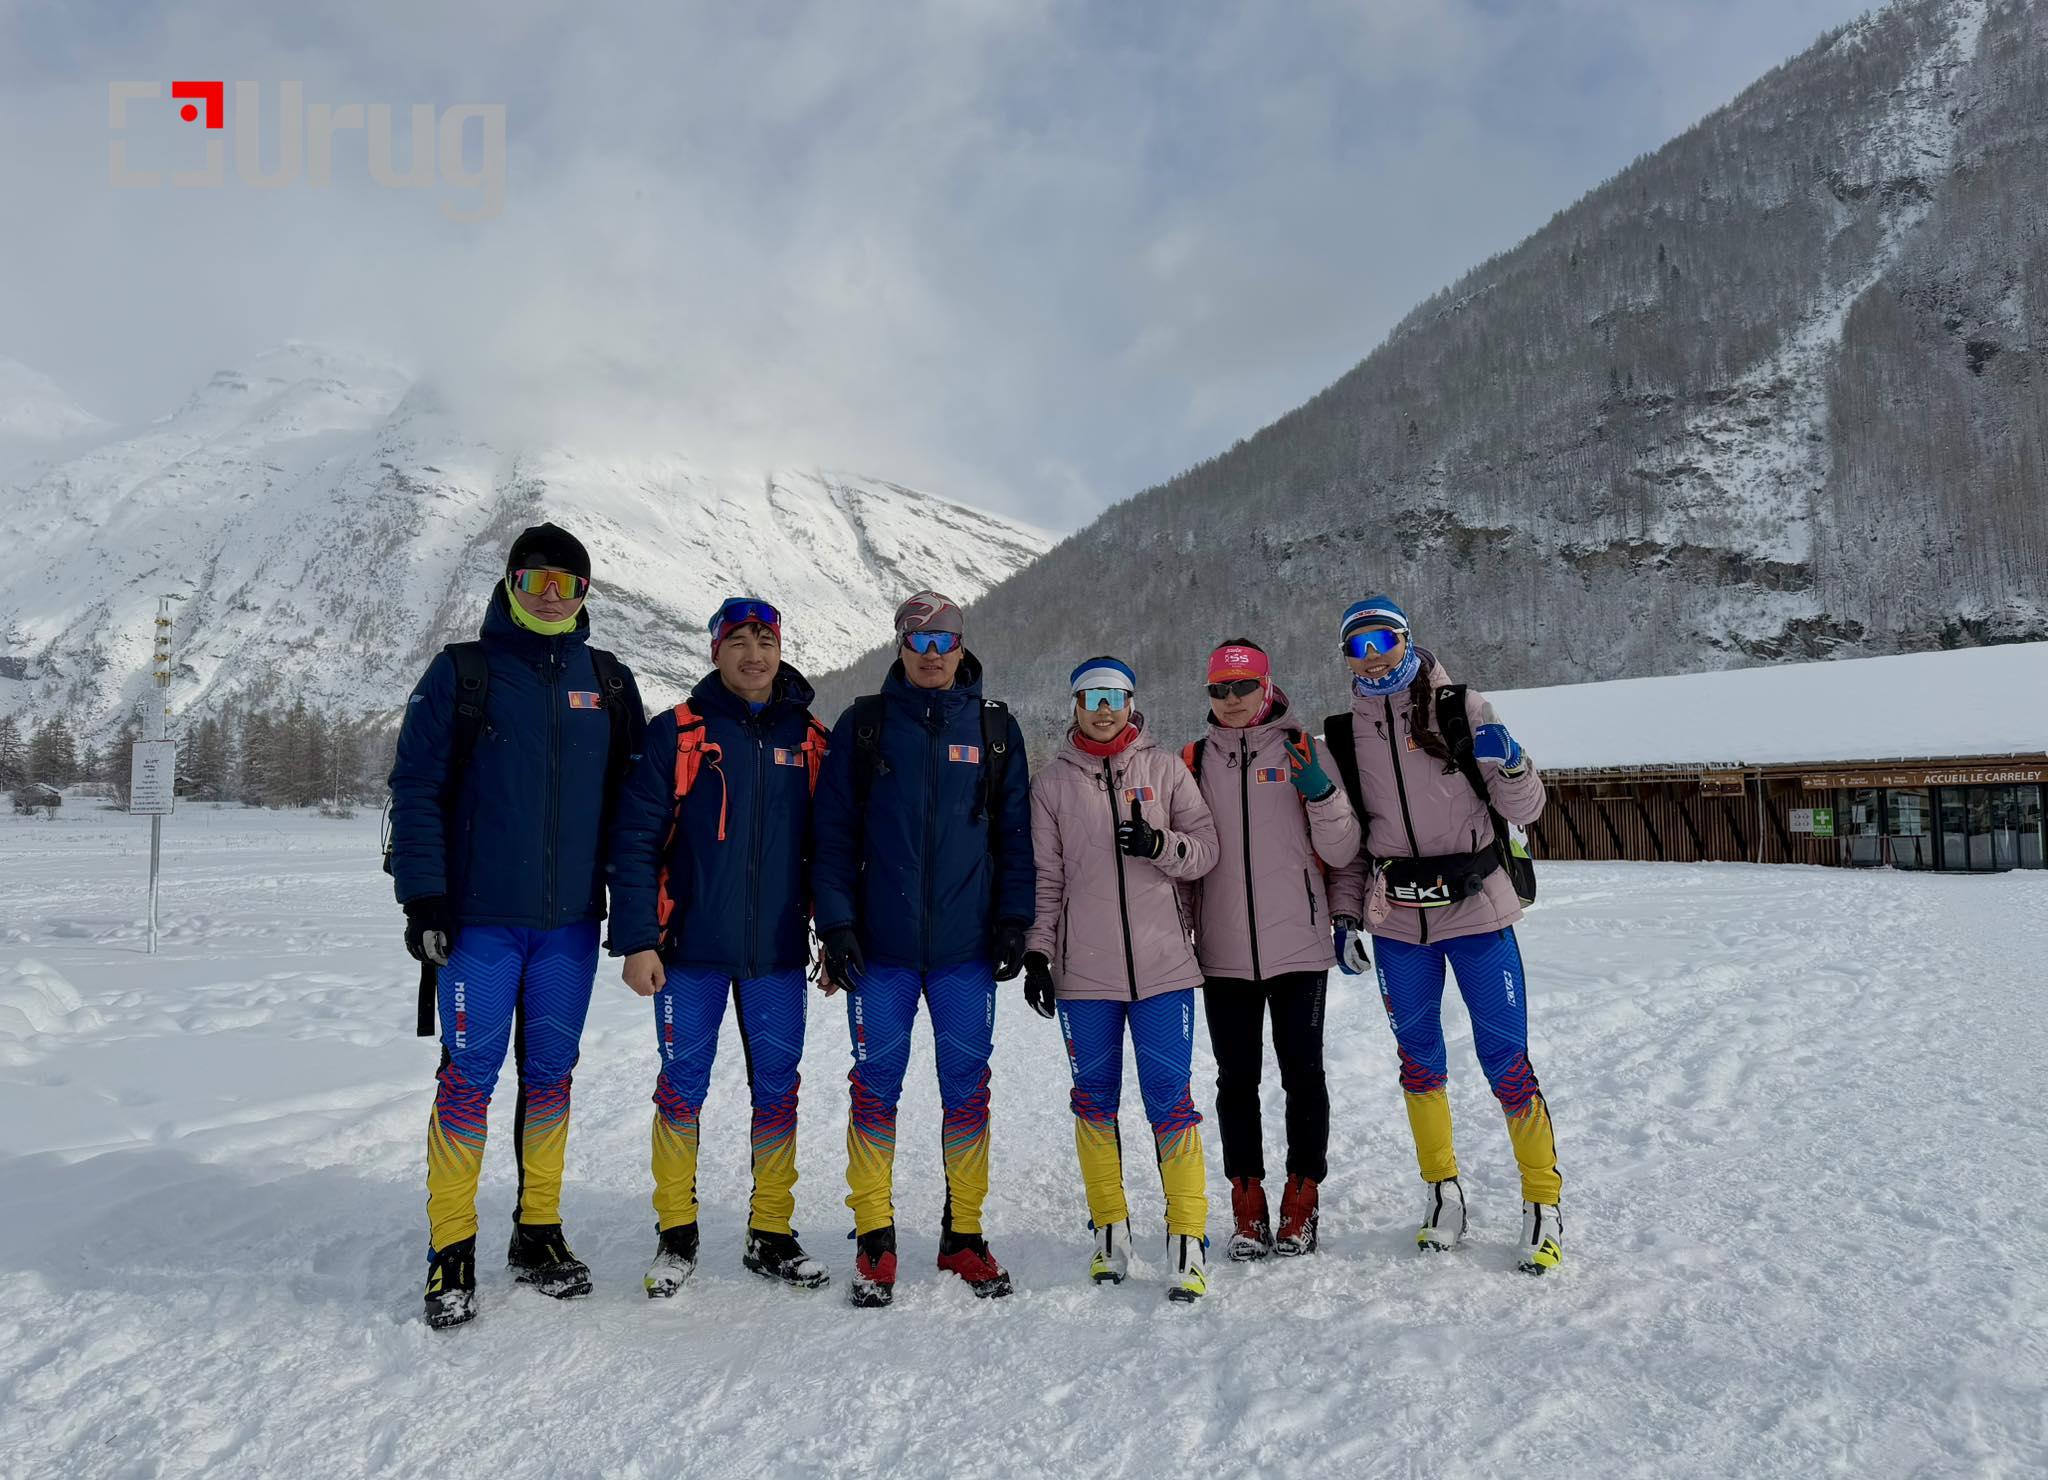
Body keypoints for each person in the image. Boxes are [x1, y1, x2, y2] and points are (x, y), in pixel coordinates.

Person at [388, 522, 645, 1330]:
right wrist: (424, 898)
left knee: (552, 1077)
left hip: (569, 928)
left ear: (585, 595)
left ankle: (538, 1232)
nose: (551, 596)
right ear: (509, 584)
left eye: (567, 584)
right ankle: (451, 1249)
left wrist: (641, 917)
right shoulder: (462, 673)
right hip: (480, 927)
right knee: (468, 1078)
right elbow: (415, 788)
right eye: (535, 581)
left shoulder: (610, 682)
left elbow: (637, 813)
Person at [1323, 595, 1563, 1274]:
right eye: (1358, 647)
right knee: (1418, 1060)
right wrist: (1346, 915)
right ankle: (1442, 1192)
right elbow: (1350, 847)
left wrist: (1513, 765)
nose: (1373, 657)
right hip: (1399, 922)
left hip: (1479, 912)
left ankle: (1543, 1203)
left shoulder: (1463, 708)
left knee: (1506, 1059)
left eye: (1384, 641)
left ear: (1407, 639)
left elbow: (1527, 809)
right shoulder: (1342, 735)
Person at [810, 591, 1035, 1308]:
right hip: (881, 951)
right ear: (900, 646)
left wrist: (1015, 921)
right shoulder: (865, 726)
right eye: (918, 641)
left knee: (967, 1090)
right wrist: (836, 925)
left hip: (966, 951)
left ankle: (962, 1234)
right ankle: (874, 1237)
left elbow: (1016, 838)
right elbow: (832, 836)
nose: (931, 655)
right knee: (874, 1088)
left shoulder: (996, 730)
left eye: (943, 642)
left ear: (961, 646)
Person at [607, 597, 833, 1297]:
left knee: (778, 1089)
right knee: (681, 1088)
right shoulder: (677, 733)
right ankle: (676, 1233)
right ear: (716, 652)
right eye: (738, 642)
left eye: (765, 640)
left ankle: (772, 1232)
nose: (754, 654)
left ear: (781, 648)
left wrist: (835, 934)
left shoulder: (812, 739)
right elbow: (635, 842)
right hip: (688, 953)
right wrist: (637, 940)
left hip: (777, 954)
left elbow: (832, 849)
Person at [1023, 657, 1220, 1301]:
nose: (1103, 708)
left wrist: (1162, 846)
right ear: (1075, 706)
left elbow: (1206, 849)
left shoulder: (1166, 769)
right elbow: (1046, 878)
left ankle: (1187, 1236)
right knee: (1093, 1100)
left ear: (1132, 702)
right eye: (1091, 697)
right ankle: (1110, 1229)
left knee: (1171, 1100)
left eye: (1114, 695)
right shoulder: (1052, 784)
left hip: (1164, 968)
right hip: (1085, 975)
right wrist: (1038, 953)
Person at [1180, 640, 1360, 1261]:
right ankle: (1247, 1203)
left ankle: (1302, 1199)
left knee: (1303, 1076)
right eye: (1219, 689)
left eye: (1243, 687)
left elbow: (1344, 852)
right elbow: (1184, 867)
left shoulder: (1307, 750)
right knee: (1236, 1081)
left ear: (1266, 686)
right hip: (1222, 950)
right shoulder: (1193, 761)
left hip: (1299, 949)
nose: (1231, 699)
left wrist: (1321, 793)